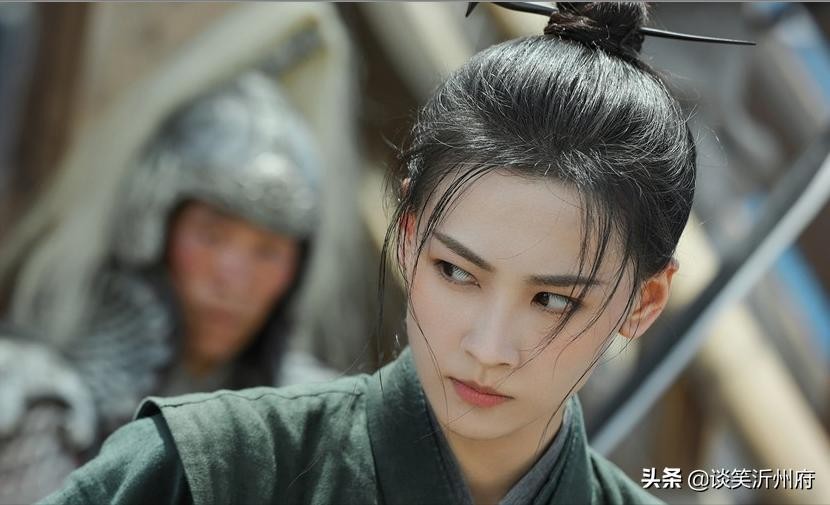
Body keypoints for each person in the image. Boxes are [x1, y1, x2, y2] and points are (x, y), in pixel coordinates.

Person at [43, 3, 705, 503]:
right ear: (409, 233)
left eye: (552, 300)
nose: (489, 347)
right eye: (456, 272)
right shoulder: (202, 471)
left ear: (644, 302)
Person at [0, 71, 336, 504]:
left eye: (268, 251)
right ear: (154, 232)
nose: (234, 279)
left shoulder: (319, 426)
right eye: (211, 236)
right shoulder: (41, 404)